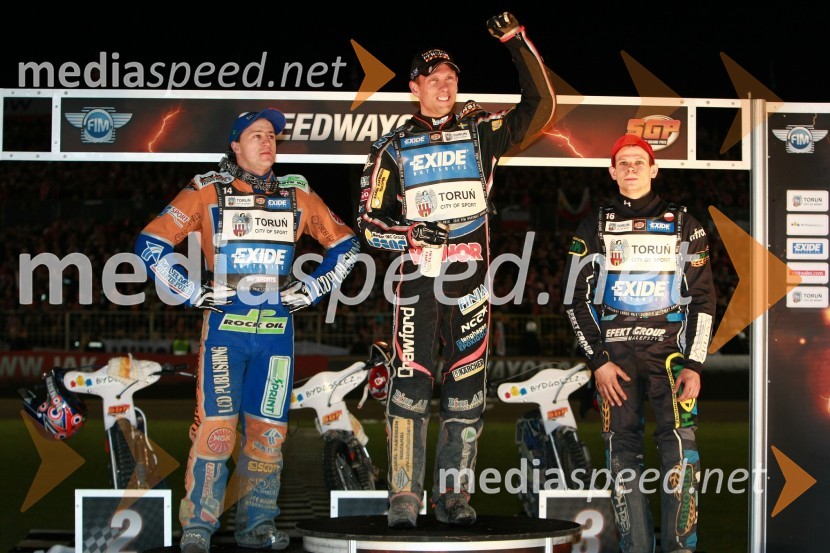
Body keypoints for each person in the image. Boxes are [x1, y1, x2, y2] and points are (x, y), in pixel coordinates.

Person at [356, 12, 555, 528]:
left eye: (451, 79)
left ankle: (452, 495)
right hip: (415, 285)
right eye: (434, 79)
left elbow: (541, 107)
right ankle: (404, 496)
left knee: (466, 388)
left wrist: (516, 42)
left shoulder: (480, 132)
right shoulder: (391, 147)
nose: (444, 87)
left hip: (470, 283)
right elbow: (368, 225)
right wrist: (409, 235)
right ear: (414, 87)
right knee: (410, 386)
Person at [134, 108, 360, 552]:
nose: (267, 141)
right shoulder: (207, 189)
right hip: (225, 332)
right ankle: (198, 526)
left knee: (269, 434)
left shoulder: (297, 193)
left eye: (272, 135)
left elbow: (346, 245)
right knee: (216, 431)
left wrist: (315, 287)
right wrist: (190, 291)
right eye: (256, 135)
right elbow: (150, 243)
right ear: (235, 146)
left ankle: (258, 525)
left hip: (276, 335)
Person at [561, 134, 716, 553]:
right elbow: (574, 299)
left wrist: (695, 364)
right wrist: (597, 361)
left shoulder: (686, 225)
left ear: (654, 169)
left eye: (639, 161)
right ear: (612, 171)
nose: (631, 168)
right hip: (616, 360)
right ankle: (636, 548)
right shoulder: (594, 226)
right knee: (620, 452)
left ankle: (681, 548)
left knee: (681, 448)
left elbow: (703, 300)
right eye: (623, 162)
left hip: (672, 359)